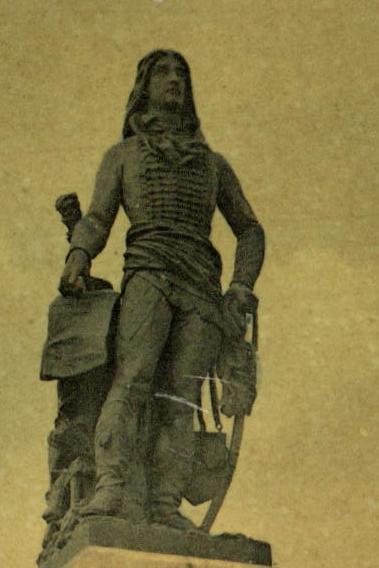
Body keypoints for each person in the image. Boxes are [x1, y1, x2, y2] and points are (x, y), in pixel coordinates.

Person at [57, 50, 264, 528]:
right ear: (143, 87)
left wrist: (240, 287)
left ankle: (164, 505)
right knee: (131, 379)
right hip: (148, 274)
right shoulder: (123, 156)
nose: (174, 80)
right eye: (163, 73)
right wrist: (78, 255)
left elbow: (250, 230)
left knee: (181, 398)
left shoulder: (213, 165)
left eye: (182, 73)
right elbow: (96, 217)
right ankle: (110, 489)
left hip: (201, 289)